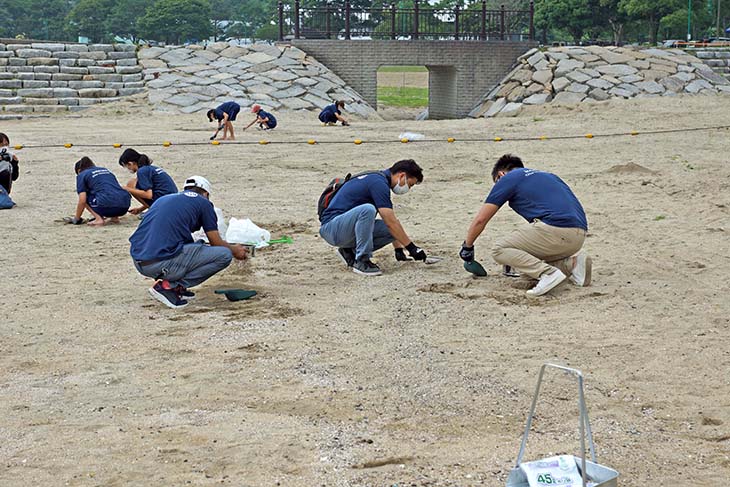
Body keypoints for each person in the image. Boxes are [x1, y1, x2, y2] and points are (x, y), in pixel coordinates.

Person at [460, 154, 592, 297]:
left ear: (501, 174)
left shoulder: (509, 178)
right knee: (527, 266)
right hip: (578, 235)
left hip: (556, 230)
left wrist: (467, 246)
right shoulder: (549, 176)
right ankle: (572, 264)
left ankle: (548, 274)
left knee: (499, 250)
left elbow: (481, 220)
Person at [129, 176, 249, 309]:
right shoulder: (204, 203)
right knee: (224, 254)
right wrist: (235, 250)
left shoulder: (165, 199)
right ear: (206, 194)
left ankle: (175, 287)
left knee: (198, 247)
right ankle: (168, 287)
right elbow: (216, 243)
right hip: (158, 262)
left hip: (139, 261)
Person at [319, 159, 428, 276]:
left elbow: (391, 222)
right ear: (402, 176)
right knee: (367, 210)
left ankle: (349, 251)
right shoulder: (378, 183)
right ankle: (362, 260)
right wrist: (412, 248)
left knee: (394, 230)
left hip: (341, 227)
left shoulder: (378, 180)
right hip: (332, 227)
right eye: (410, 184)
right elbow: (390, 222)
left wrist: (399, 249)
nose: (408, 188)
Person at [71, 156, 131, 226]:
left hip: (106, 207)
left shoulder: (82, 174)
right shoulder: (105, 170)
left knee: (86, 195)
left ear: (79, 171)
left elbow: (82, 200)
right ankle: (114, 217)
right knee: (110, 190)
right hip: (124, 207)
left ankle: (98, 219)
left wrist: (77, 218)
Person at [118, 148, 178, 215]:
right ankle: (152, 209)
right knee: (135, 183)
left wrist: (127, 189)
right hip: (173, 200)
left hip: (164, 203)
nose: (128, 169)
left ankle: (154, 211)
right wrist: (140, 209)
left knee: (131, 184)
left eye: (127, 166)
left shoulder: (142, 171)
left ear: (130, 163)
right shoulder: (151, 168)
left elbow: (148, 195)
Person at [0, 133, 19, 209]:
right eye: (1, 145)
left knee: (6, 174)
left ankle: (3, 197)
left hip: (4, 187)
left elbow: (14, 177)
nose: (4, 147)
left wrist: (14, 163)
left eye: (6, 145)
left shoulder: (9, 157)